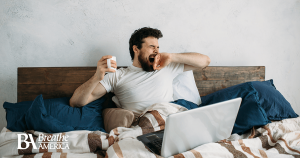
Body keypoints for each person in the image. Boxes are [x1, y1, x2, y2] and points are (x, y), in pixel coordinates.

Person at [69, 27, 210, 117]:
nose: (157, 51)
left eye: (158, 47)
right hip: (143, 128)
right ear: (136, 49)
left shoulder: (167, 66)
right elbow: (76, 102)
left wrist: (172, 56)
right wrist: (96, 77)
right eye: (152, 46)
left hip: (172, 121)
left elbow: (205, 61)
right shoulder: (117, 76)